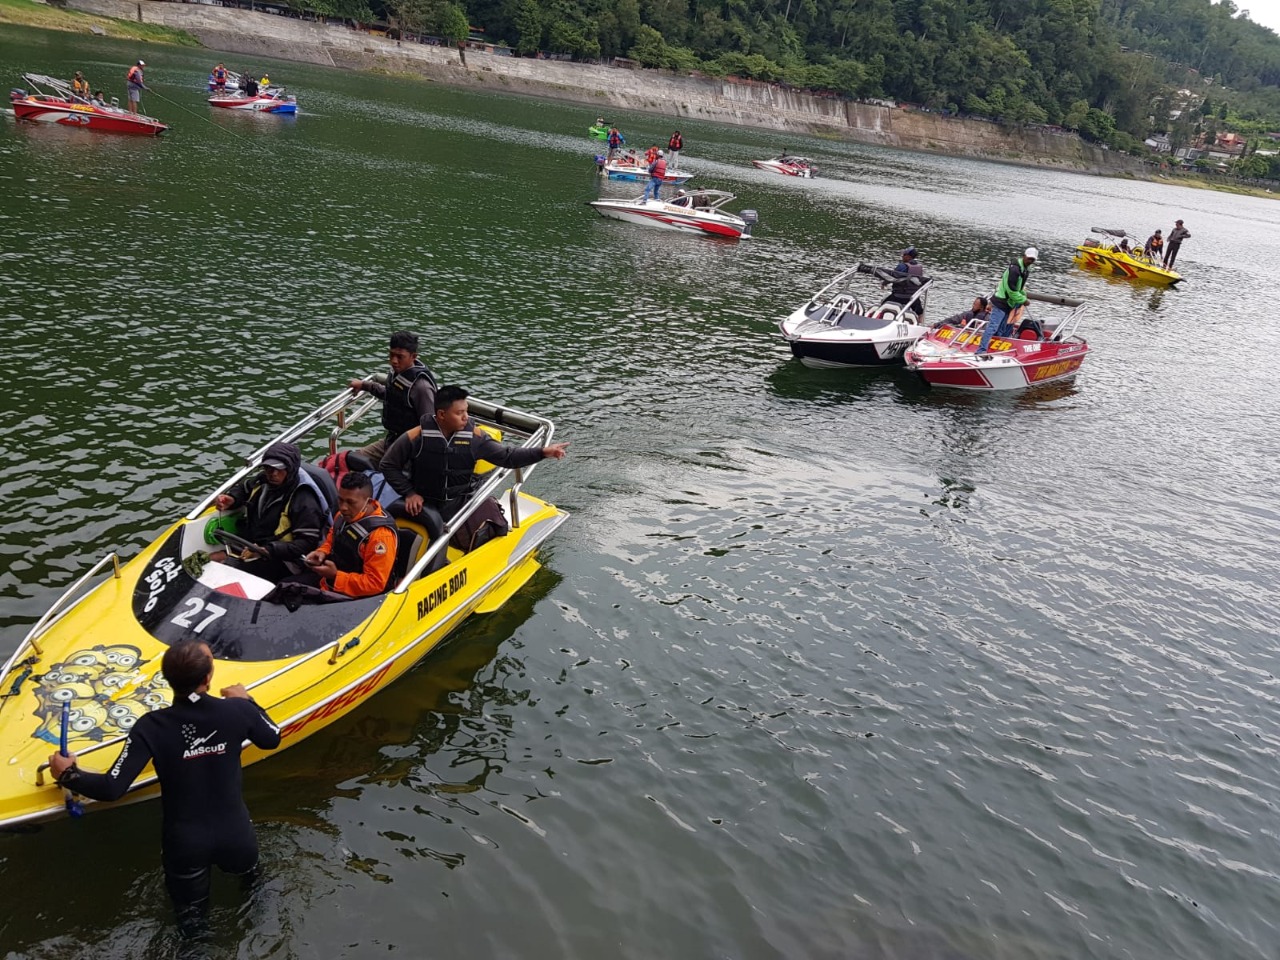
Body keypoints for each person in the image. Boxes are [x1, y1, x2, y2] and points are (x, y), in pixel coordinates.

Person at [49, 641, 281, 937]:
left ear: (166, 678)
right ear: (208, 678)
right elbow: (272, 738)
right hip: (237, 835)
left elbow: (111, 788)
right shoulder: (236, 711)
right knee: (254, 895)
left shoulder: (151, 727)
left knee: (192, 927)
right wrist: (248, 701)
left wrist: (67, 774)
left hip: (185, 844)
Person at [381, 385, 569, 547]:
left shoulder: (475, 437)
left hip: (459, 503)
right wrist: (409, 493)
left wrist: (543, 452)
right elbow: (388, 465)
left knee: (493, 529)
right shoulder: (415, 436)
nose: (466, 417)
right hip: (423, 502)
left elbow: (508, 457)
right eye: (459, 413)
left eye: (467, 411)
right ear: (441, 414)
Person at [210, 441, 329, 582]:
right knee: (210, 560)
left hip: (285, 560)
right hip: (252, 546)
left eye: (279, 469)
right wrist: (232, 499)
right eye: (268, 468)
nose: (273, 473)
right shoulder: (263, 480)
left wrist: (268, 550)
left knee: (227, 570)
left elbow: (306, 543)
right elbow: (244, 489)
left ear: (291, 469)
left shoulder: (303, 499)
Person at [295, 472, 398, 598]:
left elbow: (375, 583)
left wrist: (335, 576)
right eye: (340, 500)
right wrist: (322, 552)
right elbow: (332, 538)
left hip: (360, 599)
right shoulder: (343, 516)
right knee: (286, 587)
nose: (343, 507)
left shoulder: (380, 536)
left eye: (350, 502)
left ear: (369, 502)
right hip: (331, 583)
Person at [348, 330, 439, 466]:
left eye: (400, 357)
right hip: (392, 440)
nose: (394, 361)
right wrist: (364, 385)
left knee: (385, 470)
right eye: (391, 355)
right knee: (352, 459)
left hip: (410, 450)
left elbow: (429, 428)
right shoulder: (398, 372)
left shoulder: (421, 388)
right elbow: (391, 395)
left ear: (413, 356)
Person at [975, 248, 1036, 357]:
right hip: (1001, 302)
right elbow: (1011, 290)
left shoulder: (1024, 269)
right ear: (1024, 256)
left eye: (1032, 259)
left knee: (1002, 328)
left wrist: (1022, 295)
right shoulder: (1015, 269)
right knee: (992, 327)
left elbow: (1018, 288)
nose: (1030, 261)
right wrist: (1023, 300)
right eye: (1029, 258)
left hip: (1008, 304)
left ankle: (994, 350)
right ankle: (981, 350)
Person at [883, 246, 927, 317]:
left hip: (899, 296)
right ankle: (920, 324)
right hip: (913, 297)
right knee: (920, 312)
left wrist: (884, 283)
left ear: (909, 257)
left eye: (904, 255)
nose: (902, 256)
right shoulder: (919, 267)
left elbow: (892, 276)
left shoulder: (902, 266)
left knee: (883, 306)